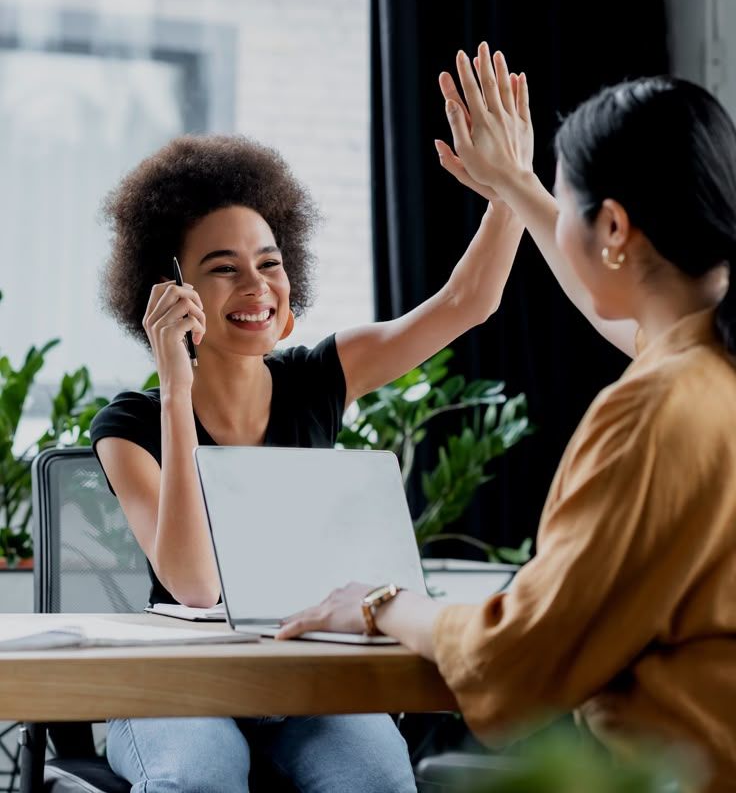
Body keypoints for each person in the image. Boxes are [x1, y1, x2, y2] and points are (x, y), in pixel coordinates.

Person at [278, 47, 736, 793]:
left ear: (614, 228)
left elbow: (514, 654)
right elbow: (629, 311)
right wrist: (520, 185)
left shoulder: (657, 408)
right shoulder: (711, 366)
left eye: (565, 204)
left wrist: (383, 602)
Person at [90, 130, 529, 793]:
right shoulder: (127, 425)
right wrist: (175, 390)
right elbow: (195, 586)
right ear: (170, 289)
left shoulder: (321, 376)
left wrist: (513, 189)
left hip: (299, 675)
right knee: (199, 780)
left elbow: (467, 304)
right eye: (223, 266)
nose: (256, 285)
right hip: (178, 684)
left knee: (377, 777)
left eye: (269, 262)